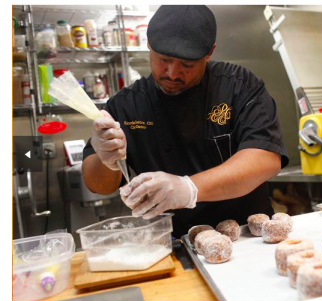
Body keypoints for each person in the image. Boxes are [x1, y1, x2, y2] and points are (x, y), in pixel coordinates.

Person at [82, 5, 289, 236]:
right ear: (149, 44)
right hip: (172, 241)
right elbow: (97, 185)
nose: (172, 73)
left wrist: (188, 188)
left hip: (247, 235)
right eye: (164, 60)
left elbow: (265, 158)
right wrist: (106, 160)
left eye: (187, 65)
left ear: (209, 52)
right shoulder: (125, 105)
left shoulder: (239, 86)